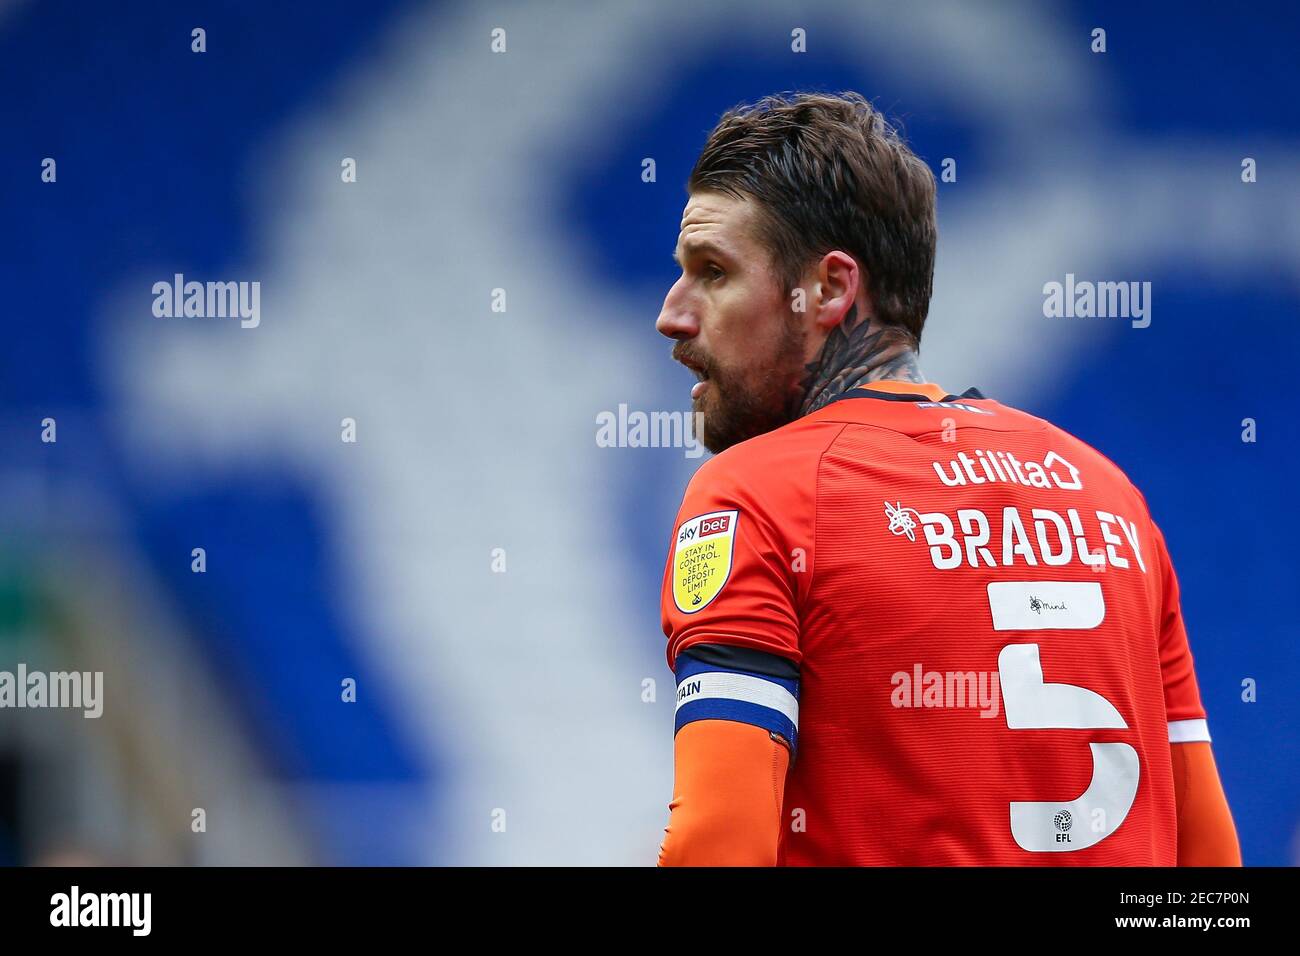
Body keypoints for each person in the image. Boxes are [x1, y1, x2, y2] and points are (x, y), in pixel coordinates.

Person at [654, 91, 1240, 866]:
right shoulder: (1110, 499)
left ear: (829, 289)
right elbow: (1211, 867)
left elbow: (717, 846)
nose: (673, 313)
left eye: (713, 271)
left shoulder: (759, 495)